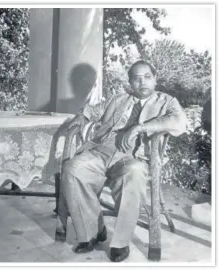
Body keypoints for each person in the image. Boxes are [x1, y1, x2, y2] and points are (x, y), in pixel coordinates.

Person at [56, 59, 187, 262]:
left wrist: (140, 128)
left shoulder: (167, 102)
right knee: (73, 168)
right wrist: (81, 117)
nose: (142, 83)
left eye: (147, 77)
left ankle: (121, 242)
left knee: (134, 174)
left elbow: (179, 123)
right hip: (102, 151)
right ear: (130, 82)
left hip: (133, 157)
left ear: (155, 79)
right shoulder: (118, 99)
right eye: (136, 79)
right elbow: (91, 110)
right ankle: (93, 232)